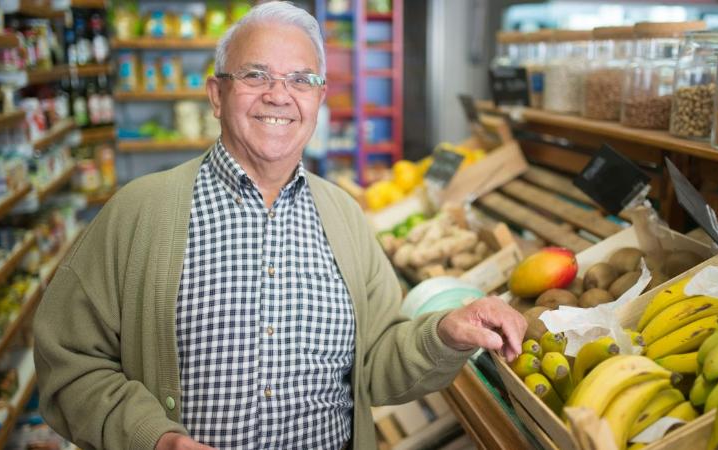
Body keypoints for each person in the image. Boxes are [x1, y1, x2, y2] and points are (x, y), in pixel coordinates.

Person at [33, 2, 527, 449]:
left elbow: (377, 364)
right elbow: (69, 361)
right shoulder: (138, 212)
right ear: (216, 94)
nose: (279, 95)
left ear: (318, 100)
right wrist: (153, 438)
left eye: (301, 80)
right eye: (255, 75)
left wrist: (444, 334)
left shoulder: (345, 218)